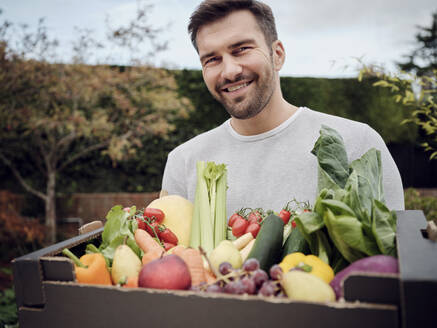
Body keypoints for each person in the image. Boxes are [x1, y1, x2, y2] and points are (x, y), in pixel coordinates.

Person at [161, 0, 405, 217]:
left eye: (242, 49)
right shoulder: (183, 162)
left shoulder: (358, 143)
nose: (230, 71)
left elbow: (390, 257)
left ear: (277, 55)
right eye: (212, 59)